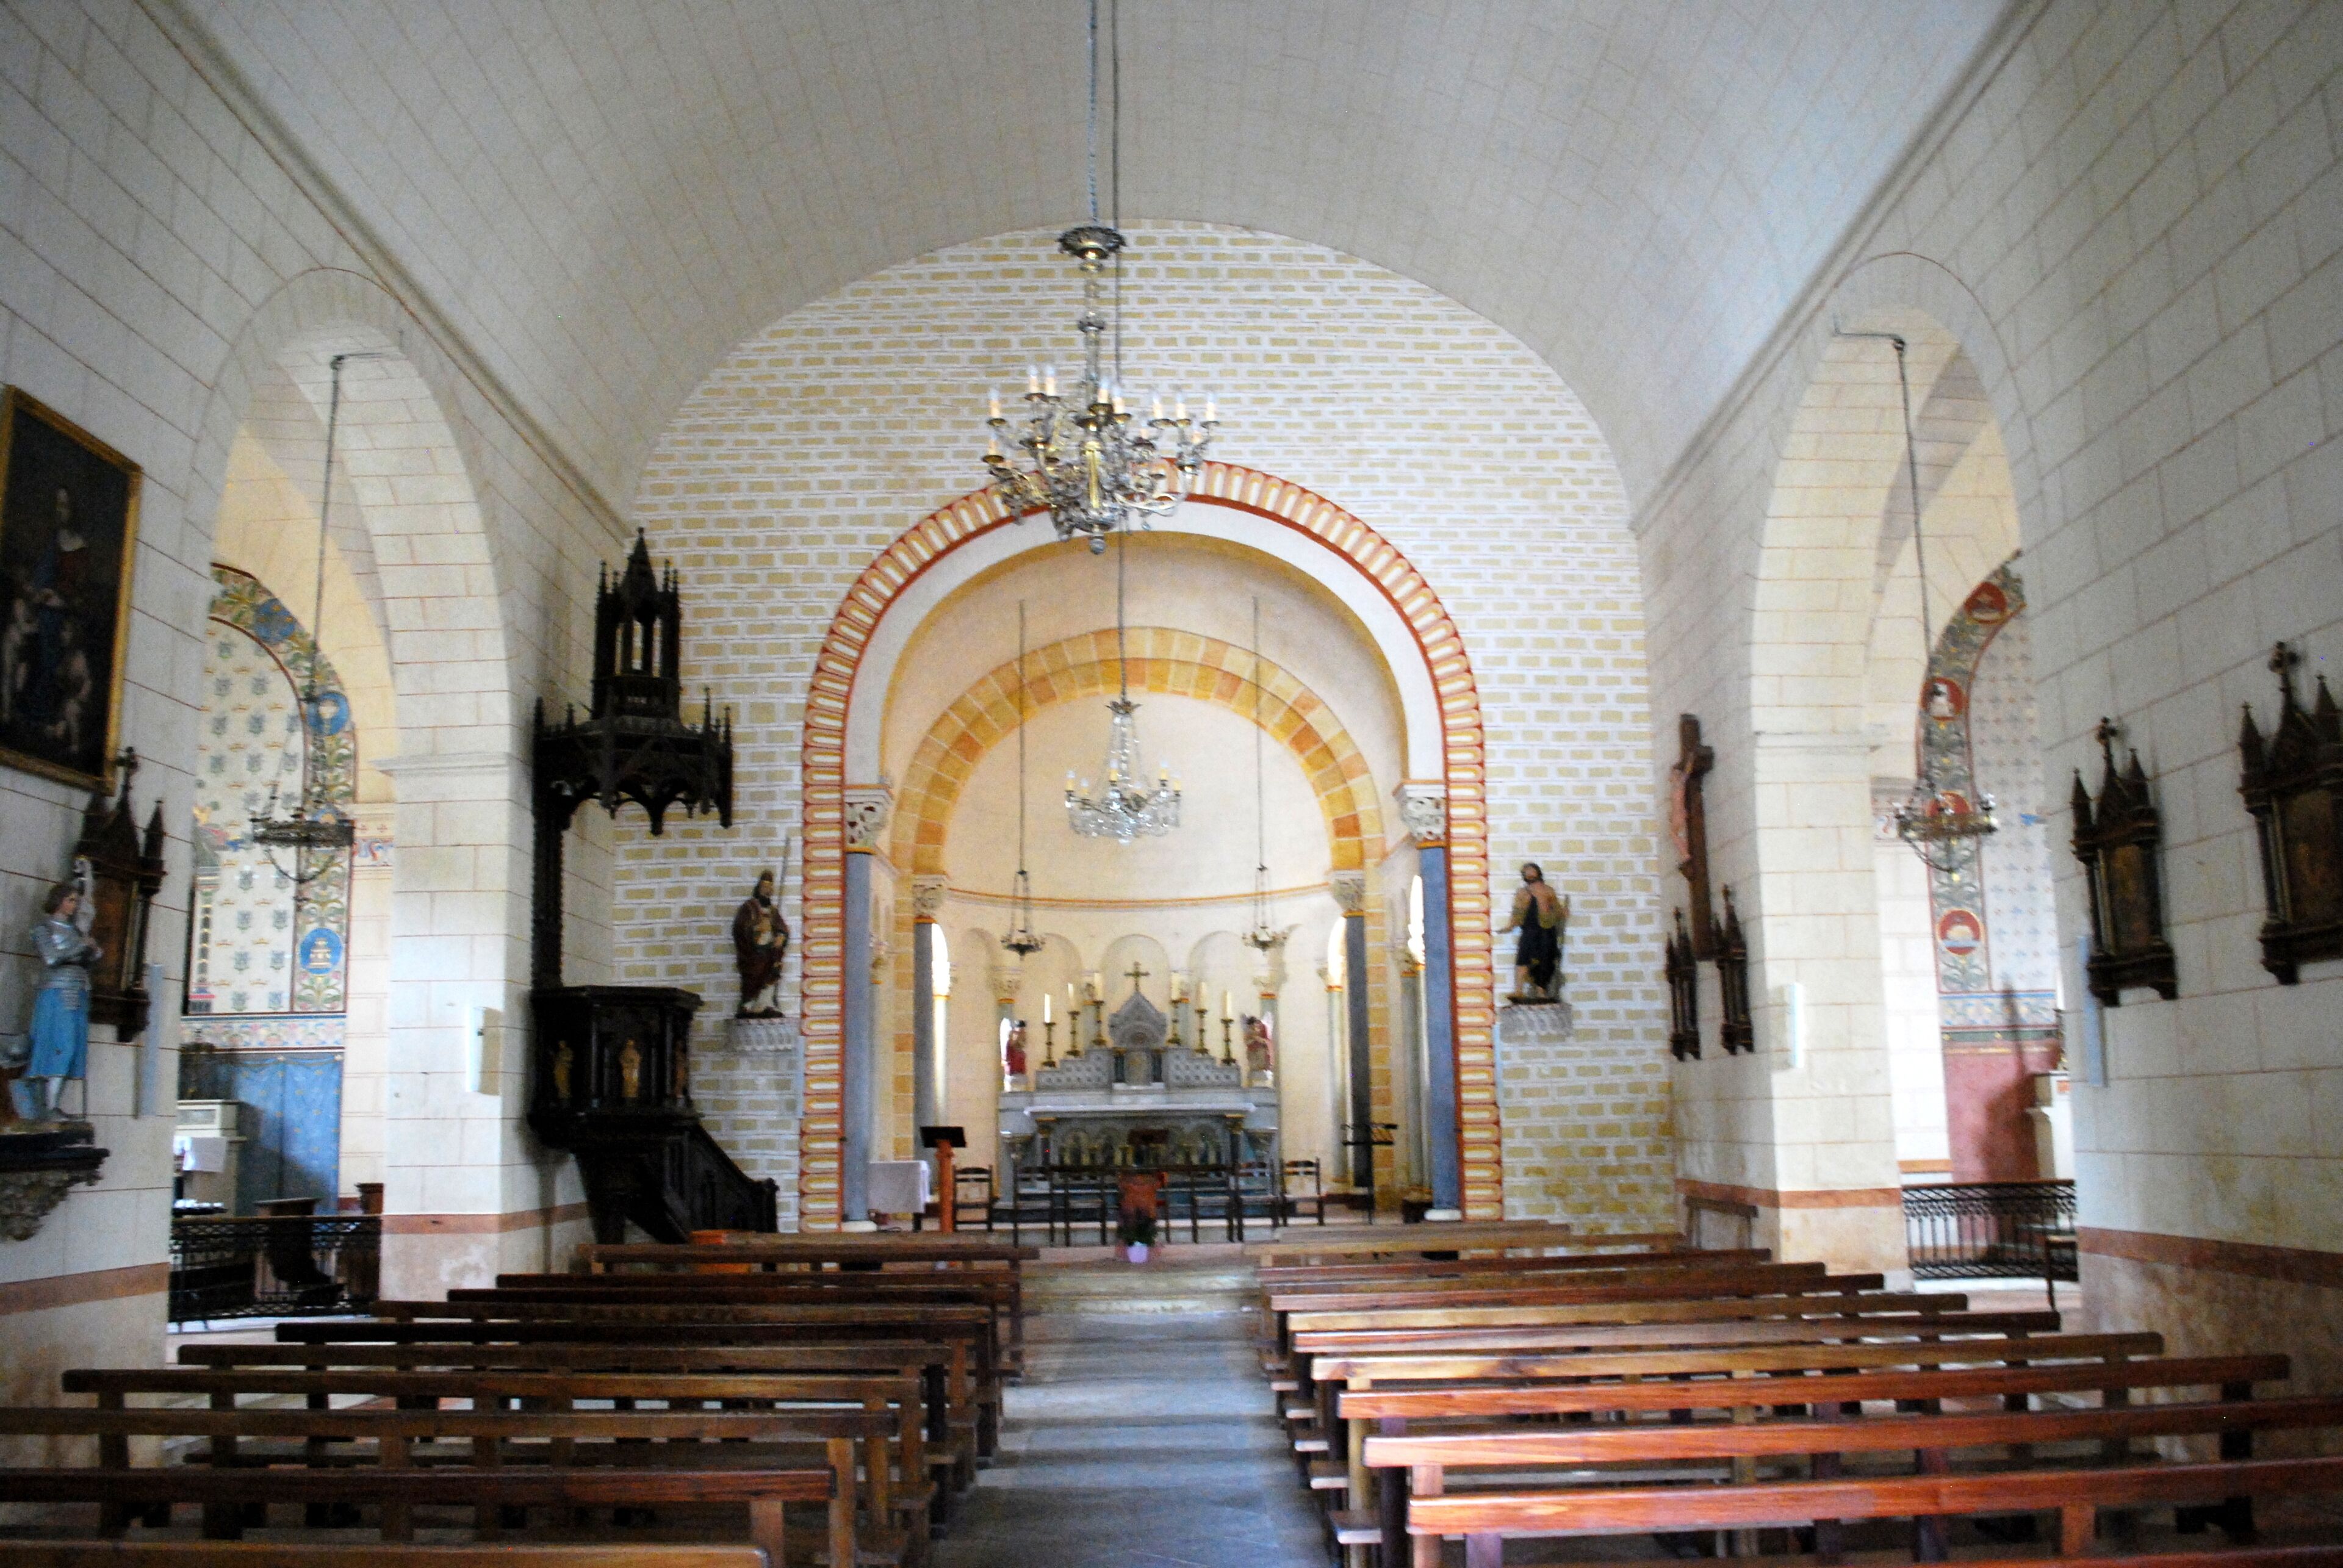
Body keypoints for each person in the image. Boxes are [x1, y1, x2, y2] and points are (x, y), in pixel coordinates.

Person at [21, 880, 101, 1120]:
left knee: (73, 1050)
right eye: (71, 900)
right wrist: (79, 947)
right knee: (59, 1047)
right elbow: (51, 958)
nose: (74, 906)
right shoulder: (44, 929)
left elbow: (83, 959)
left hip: (78, 990)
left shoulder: (75, 931)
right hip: (57, 992)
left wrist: (93, 952)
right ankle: (48, 1106)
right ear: (59, 901)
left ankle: (54, 1105)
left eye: (76, 901)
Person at [1498, 862, 1569, 999]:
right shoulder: (1522, 893)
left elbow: (1557, 909)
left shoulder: (1548, 891)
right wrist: (1511, 926)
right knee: (1523, 958)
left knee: (1546, 959)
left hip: (1547, 929)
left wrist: (1562, 913)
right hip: (1530, 929)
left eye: (1531, 871)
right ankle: (1519, 990)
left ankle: (1541, 991)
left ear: (1538, 873)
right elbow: (1517, 912)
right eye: (1526, 872)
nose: (1529, 874)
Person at [731, 869, 788, 1017]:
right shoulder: (749, 907)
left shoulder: (773, 911)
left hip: (770, 951)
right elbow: (740, 927)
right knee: (755, 973)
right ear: (759, 888)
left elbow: (782, 928)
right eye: (765, 888)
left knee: (772, 972)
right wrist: (756, 930)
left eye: (770, 889)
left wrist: (781, 936)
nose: (768, 892)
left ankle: (765, 1003)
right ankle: (749, 1003)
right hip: (753, 952)